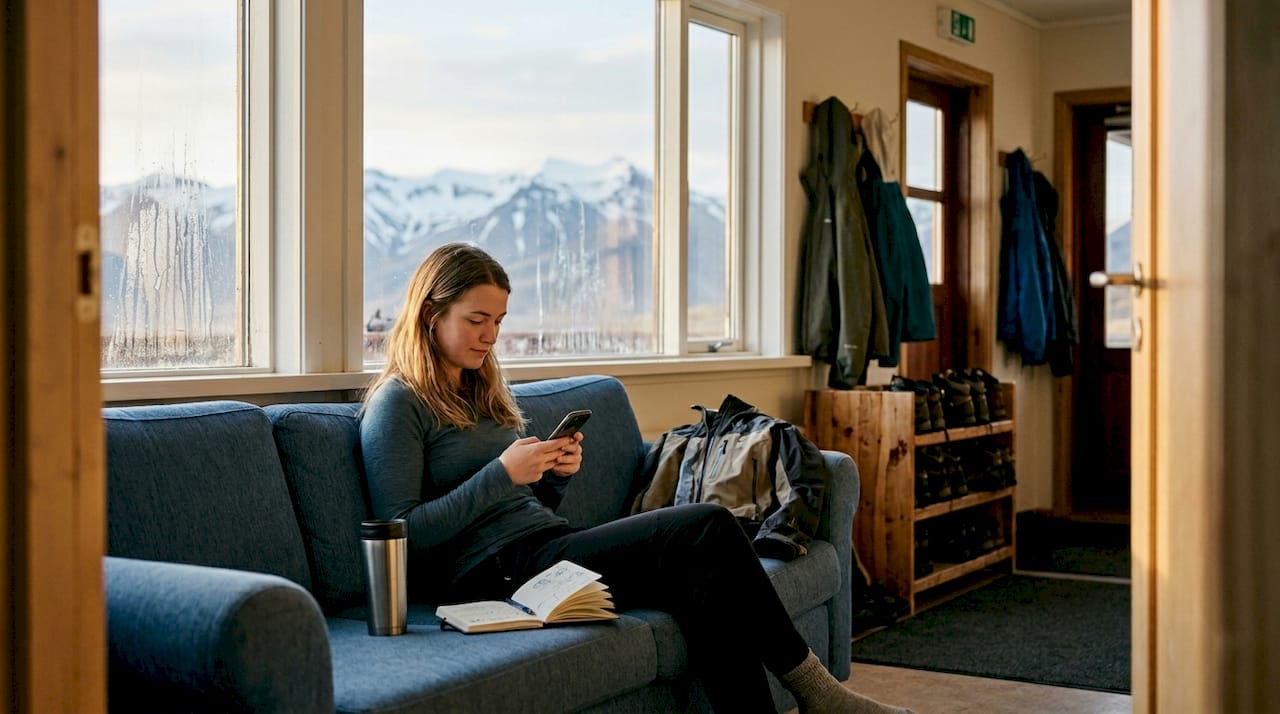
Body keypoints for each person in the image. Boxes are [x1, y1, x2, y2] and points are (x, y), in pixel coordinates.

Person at [359, 242, 912, 714]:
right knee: (708, 526)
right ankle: (820, 692)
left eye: (499, 322)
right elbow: (401, 535)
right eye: (477, 320)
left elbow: (525, 506)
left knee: (703, 580)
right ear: (431, 313)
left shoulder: (480, 387)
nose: (491, 336)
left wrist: (552, 475)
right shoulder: (397, 403)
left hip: (541, 547)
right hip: (492, 574)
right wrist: (503, 474)